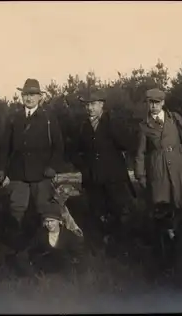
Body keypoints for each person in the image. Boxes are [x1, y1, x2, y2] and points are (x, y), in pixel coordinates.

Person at [0, 78, 64, 267]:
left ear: (40, 97)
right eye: (26, 94)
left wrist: (52, 166)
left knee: (45, 212)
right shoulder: (14, 119)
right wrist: (1, 169)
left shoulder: (49, 119)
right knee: (17, 211)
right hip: (18, 175)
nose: (29, 98)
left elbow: (59, 147)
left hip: (42, 175)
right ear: (21, 96)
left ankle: (47, 252)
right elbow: (4, 148)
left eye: (33, 95)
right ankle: (17, 251)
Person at [134, 88, 182, 270]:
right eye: (150, 103)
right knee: (162, 212)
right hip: (159, 172)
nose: (153, 106)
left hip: (178, 169)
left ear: (163, 103)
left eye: (157, 102)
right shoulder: (144, 126)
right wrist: (141, 175)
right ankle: (165, 258)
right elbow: (140, 152)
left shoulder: (175, 118)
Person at [68, 89, 136, 249]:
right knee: (97, 212)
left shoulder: (112, 122)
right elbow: (73, 151)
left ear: (101, 105)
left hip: (114, 178)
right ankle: (102, 245)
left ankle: (122, 245)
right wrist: (83, 166)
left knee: (120, 211)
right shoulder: (83, 127)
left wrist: (112, 125)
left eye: (93, 104)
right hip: (93, 179)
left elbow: (126, 143)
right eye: (87, 105)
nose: (89, 108)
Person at [25, 202, 85, 276]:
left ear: (59, 221)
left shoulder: (69, 235)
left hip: (64, 268)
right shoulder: (41, 234)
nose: (49, 224)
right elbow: (32, 249)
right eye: (47, 221)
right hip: (45, 267)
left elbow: (77, 254)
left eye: (52, 221)